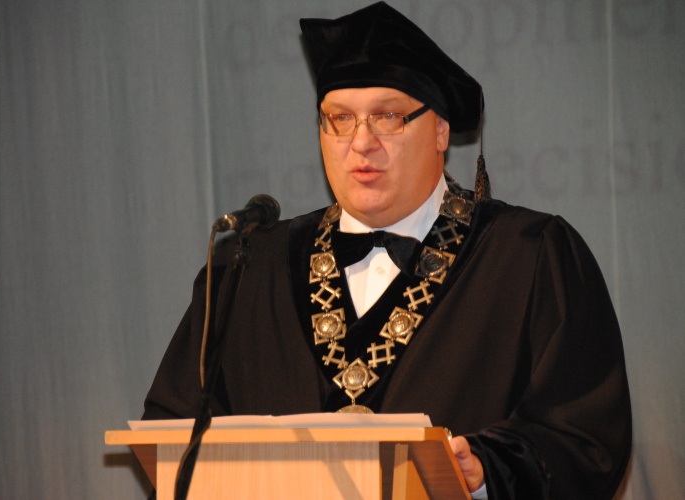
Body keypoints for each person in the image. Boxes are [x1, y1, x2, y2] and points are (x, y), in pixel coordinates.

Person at [143, 2, 632, 498]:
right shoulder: (250, 268)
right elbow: (173, 431)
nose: (361, 143)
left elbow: (584, 438)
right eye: (339, 118)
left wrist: (487, 470)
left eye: (388, 116)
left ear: (440, 130)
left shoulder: (529, 256)